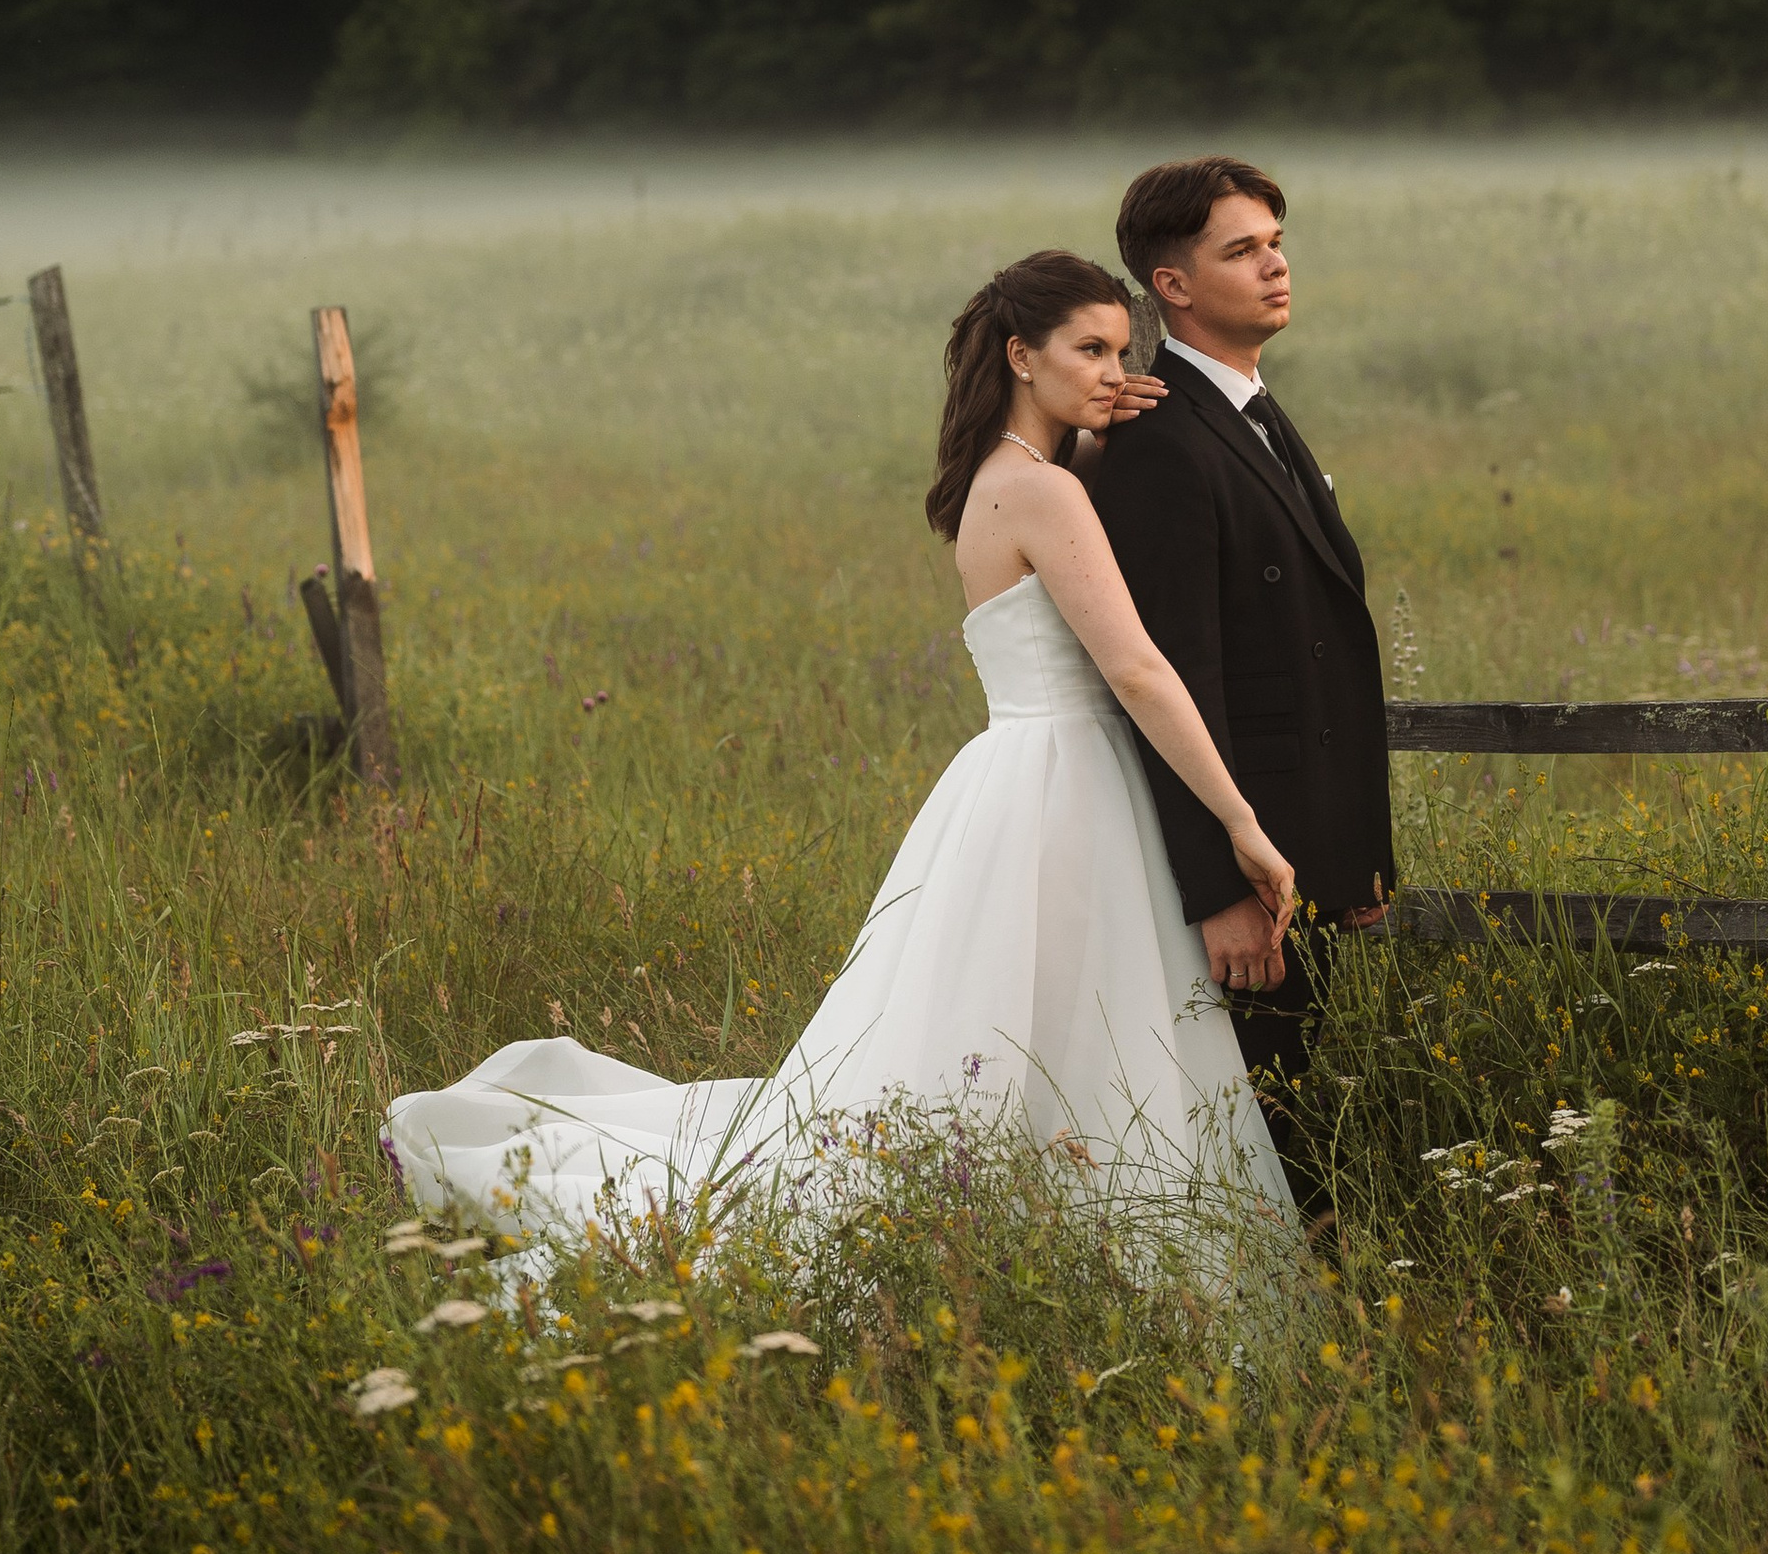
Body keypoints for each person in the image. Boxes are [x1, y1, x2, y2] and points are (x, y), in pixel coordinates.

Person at [385, 251, 1297, 1244]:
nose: (1112, 373)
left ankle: (1038, 1226)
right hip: (1065, 784)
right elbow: (1137, 670)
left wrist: (1110, 441)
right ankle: (1068, 1229)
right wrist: (1239, 822)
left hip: (1025, 777)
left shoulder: (1021, 475)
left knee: (1034, 1023)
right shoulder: (1041, 491)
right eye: (1088, 349)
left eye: (1122, 351)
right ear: (1019, 356)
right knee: (1068, 1020)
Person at [1085, 158, 1395, 1217]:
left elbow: (1317, 650)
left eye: (1275, 240)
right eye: (1241, 248)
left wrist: (1355, 850)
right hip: (1238, 873)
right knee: (1256, 1124)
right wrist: (1218, 888)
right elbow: (1172, 677)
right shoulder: (1154, 442)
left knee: (1292, 1101)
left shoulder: (1254, 407)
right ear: (1170, 285)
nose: (1274, 263)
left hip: (1301, 843)